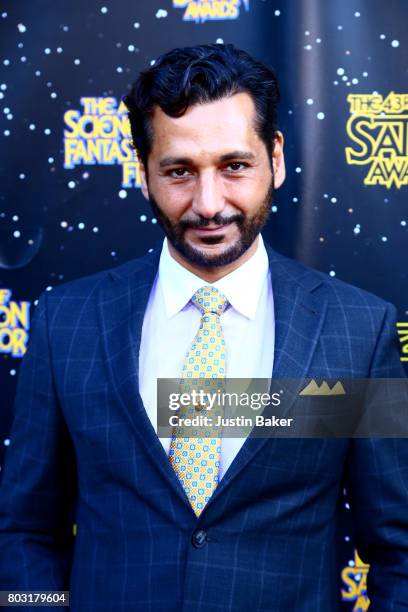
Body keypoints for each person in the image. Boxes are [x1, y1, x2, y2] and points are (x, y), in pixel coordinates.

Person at [0, 44, 407, 611]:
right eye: (179, 171)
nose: (209, 204)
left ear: (277, 159)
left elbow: (399, 548)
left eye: (234, 166)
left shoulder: (358, 330)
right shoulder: (65, 322)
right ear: (143, 172)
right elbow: (24, 532)